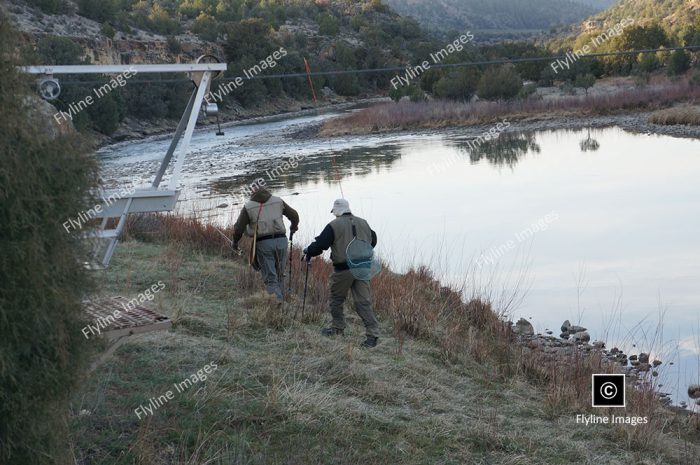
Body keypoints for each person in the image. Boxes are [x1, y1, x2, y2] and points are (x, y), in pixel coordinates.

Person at [303, 199, 380, 348]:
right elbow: (373, 241)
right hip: (364, 268)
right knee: (363, 303)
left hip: (344, 269)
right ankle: (373, 336)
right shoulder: (364, 222)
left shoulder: (334, 225)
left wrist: (309, 251)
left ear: (336, 211)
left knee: (336, 299)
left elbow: (321, 245)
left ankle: (338, 328)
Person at [233, 187, 299, 301]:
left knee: (270, 278)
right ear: (266, 191)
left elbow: (238, 228)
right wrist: (293, 227)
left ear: (252, 193)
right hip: (282, 241)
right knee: (280, 274)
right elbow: (294, 215)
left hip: (263, 243)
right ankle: (283, 302)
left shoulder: (248, 207)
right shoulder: (278, 201)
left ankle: (277, 304)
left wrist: (235, 242)